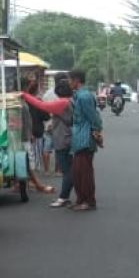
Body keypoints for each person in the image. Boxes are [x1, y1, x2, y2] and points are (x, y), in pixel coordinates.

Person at [20, 77, 74, 207]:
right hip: (67, 137)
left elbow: (42, 106)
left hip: (63, 139)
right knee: (69, 169)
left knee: (67, 170)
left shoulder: (62, 103)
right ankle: (68, 195)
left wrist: (24, 95)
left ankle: (63, 197)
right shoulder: (70, 101)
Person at [67, 69, 102, 211]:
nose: (69, 83)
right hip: (78, 137)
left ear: (76, 80)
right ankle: (81, 199)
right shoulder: (78, 95)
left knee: (84, 172)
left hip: (85, 138)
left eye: (70, 80)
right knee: (78, 172)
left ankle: (88, 201)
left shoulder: (84, 96)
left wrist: (97, 132)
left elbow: (94, 117)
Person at [22, 77, 55, 194]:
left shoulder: (23, 100)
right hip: (31, 134)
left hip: (30, 133)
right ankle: (35, 184)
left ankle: (30, 183)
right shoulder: (30, 101)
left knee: (29, 160)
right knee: (31, 161)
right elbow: (45, 116)